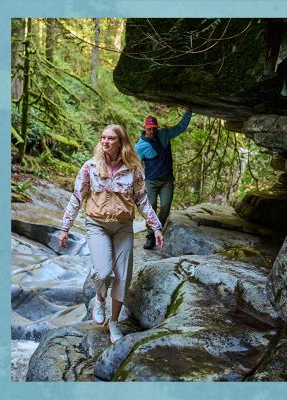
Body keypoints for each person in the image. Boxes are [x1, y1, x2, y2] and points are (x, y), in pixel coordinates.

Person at [58, 124, 163, 344]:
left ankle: (114, 322)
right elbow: (77, 197)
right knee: (103, 273)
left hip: (124, 227)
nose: (105, 142)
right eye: (103, 138)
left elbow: (142, 200)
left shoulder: (133, 169)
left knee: (123, 277)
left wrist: (156, 226)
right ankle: (99, 298)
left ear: (121, 142)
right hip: (97, 225)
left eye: (111, 138)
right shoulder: (90, 167)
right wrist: (65, 228)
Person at [135, 106, 192, 249]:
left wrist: (189, 112)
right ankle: (150, 236)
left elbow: (181, 127)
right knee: (151, 206)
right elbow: (135, 165)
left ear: (157, 127)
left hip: (167, 180)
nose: (152, 131)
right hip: (151, 181)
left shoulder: (165, 134)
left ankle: (156, 231)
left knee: (165, 206)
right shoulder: (140, 146)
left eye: (154, 128)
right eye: (149, 129)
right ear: (144, 128)